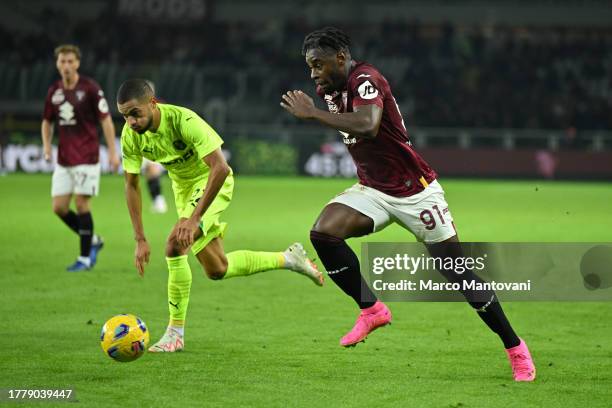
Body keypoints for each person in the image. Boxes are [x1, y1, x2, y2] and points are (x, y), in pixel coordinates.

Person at [281, 27, 536, 382]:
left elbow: (369, 126)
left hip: (415, 191)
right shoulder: (329, 89)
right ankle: (371, 309)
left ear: (340, 57)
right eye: (309, 67)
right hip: (373, 190)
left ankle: (516, 349)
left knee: (457, 272)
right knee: (324, 233)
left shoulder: (366, 78)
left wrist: (313, 114)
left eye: (317, 65)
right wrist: (318, 104)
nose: (313, 74)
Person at [117, 79, 323, 353]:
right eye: (124, 115)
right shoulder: (131, 135)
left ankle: (174, 334)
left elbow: (221, 168)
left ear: (153, 103)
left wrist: (193, 219)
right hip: (184, 190)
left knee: (175, 244)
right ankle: (290, 259)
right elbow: (131, 185)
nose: (130, 121)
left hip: (212, 180)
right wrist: (140, 238)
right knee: (217, 269)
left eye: (135, 113)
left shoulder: (184, 121)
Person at [42, 44, 120, 272]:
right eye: (62, 61)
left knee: (82, 203)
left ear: (77, 63)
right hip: (64, 158)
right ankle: (93, 239)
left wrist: (113, 153)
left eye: (70, 61)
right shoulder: (54, 91)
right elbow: (47, 121)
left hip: (87, 156)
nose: (66, 65)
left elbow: (105, 120)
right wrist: (47, 146)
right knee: (59, 207)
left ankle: (85, 258)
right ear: (57, 64)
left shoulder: (90, 88)